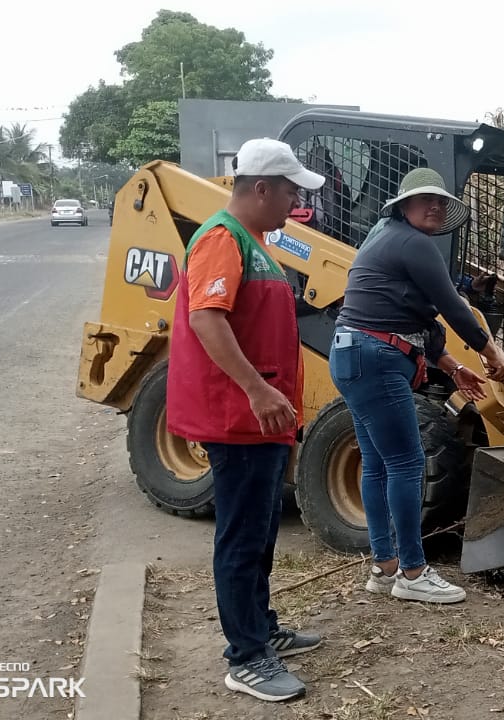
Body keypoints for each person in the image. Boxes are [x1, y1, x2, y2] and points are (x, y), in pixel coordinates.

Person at [166, 137, 327, 703]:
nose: (296, 203)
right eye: (290, 192)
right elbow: (207, 319)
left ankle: (260, 628)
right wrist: (257, 390)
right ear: (261, 188)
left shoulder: (254, 242)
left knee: (259, 533)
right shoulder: (222, 238)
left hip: (261, 420)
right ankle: (246, 657)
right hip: (237, 418)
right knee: (241, 537)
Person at [330, 166, 504, 605]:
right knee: (408, 462)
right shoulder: (413, 243)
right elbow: (453, 307)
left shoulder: (384, 236)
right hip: (375, 359)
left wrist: (451, 366)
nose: (434, 206)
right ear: (404, 205)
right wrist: (493, 354)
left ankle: (385, 567)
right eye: (425, 199)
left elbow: (410, 314)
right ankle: (413, 572)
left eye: (440, 201)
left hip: (352, 354)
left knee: (378, 464)